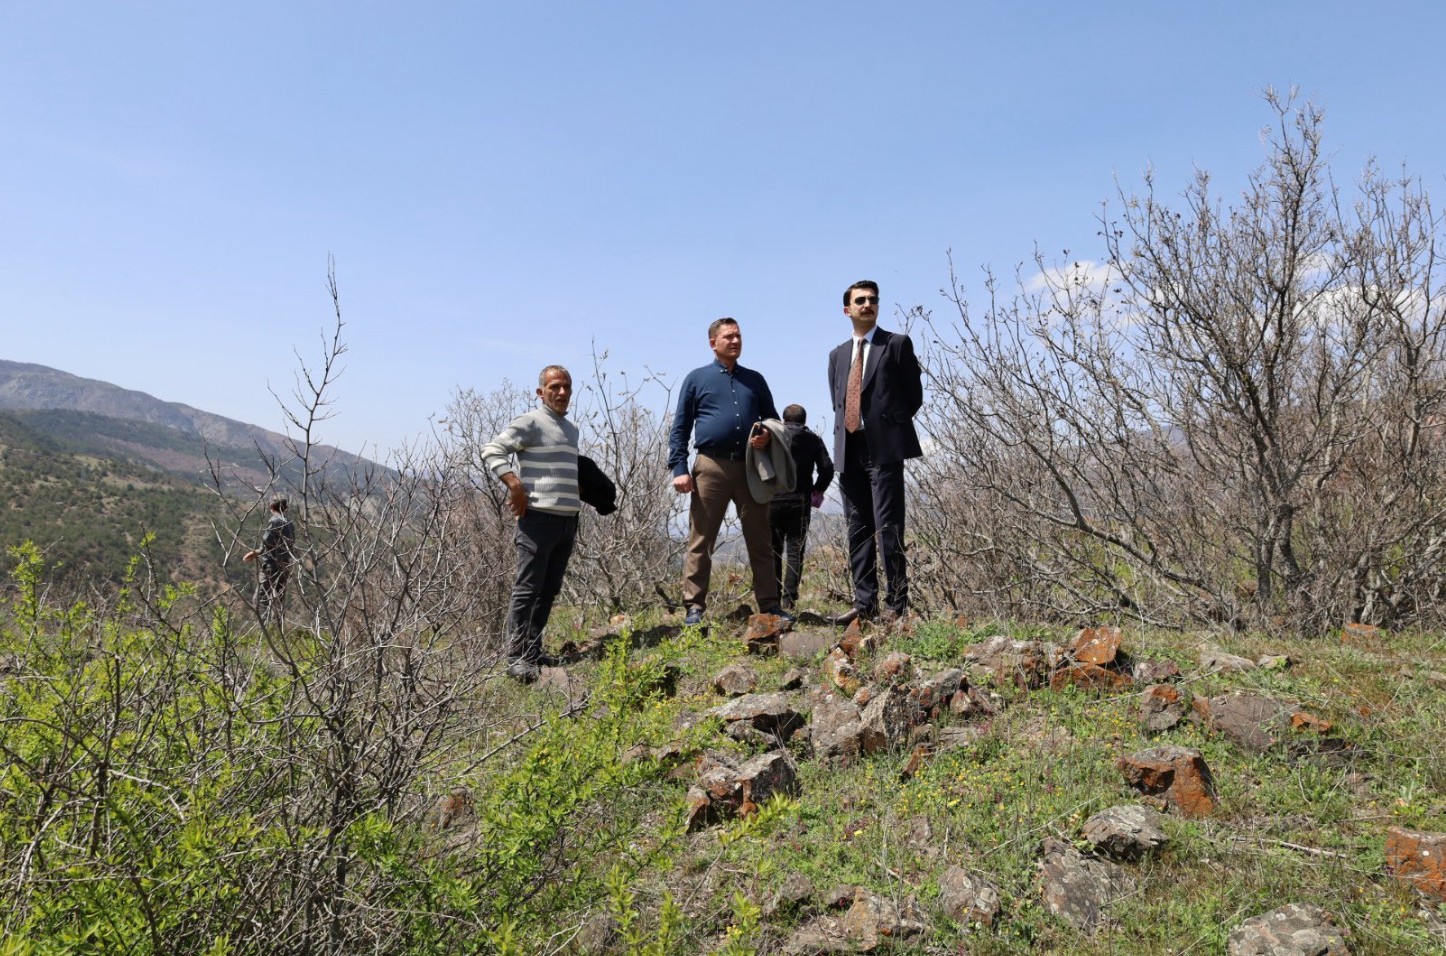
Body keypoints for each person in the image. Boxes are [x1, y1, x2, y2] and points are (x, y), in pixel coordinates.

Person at [668, 317, 789, 625]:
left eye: (738, 336)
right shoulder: (696, 379)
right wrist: (679, 468)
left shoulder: (755, 379)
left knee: (760, 539)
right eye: (728, 337)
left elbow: (772, 419)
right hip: (711, 466)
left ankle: (770, 605)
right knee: (701, 539)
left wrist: (766, 434)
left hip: (751, 466)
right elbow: (680, 428)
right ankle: (694, 607)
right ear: (713, 343)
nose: (735, 341)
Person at [827, 280, 924, 624]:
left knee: (888, 527)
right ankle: (864, 603)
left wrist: (887, 426)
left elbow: (913, 396)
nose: (867, 304)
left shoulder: (895, 344)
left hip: (884, 448)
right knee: (857, 527)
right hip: (849, 448)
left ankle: (896, 604)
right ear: (847, 310)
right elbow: (838, 401)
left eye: (872, 299)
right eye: (860, 300)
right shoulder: (837, 355)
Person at [480, 365, 582, 682]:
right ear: (541, 392)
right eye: (554, 387)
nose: (561, 392)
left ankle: (533, 651)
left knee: (548, 590)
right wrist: (513, 483)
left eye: (566, 386)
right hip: (537, 519)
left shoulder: (571, 429)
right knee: (527, 589)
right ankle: (516, 657)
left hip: (567, 521)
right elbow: (492, 449)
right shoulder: (531, 422)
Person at [769, 404, 834, 610]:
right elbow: (827, 468)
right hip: (800, 499)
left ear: (783, 419)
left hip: (772, 499)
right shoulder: (813, 439)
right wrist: (817, 490)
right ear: (804, 420)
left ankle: (772, 598)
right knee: (795, 551)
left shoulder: (773, 437)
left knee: (773, 550)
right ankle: (789, 599)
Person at [243, 494, 295, 622]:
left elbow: (266, 543)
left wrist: (253, 554)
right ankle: (278, 627)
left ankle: (264, 626)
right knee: (278, 600)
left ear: (271, 507)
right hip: (285, 565)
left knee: (260, 599)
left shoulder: (275, 521)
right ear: (286, 508)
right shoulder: (290, 524)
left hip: (272, 566)